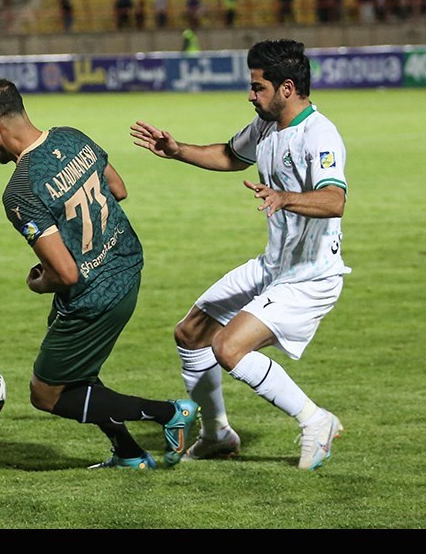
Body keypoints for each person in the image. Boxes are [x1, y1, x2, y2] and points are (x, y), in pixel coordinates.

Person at [130, 39, 348, 471]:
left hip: (310, 275)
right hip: (273, 265)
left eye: (257, 87)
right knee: (191, 333)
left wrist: (286, 197)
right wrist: (177, 151)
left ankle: (315, 420)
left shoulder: (319, 134)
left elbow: (334, 200)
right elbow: (231, 155)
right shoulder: (268, 126)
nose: (250, 95)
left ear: (287, 88)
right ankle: (216, 435)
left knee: (228, 348)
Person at [0, 77, 199, 470]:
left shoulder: (20, 191)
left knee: (46, 393)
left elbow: (66, 274)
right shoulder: (71, 137)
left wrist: (39, 282)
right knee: (77, 373)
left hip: (94, 297)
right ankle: (128, 452)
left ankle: (170, 413)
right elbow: (118, 189)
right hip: (126, 264)